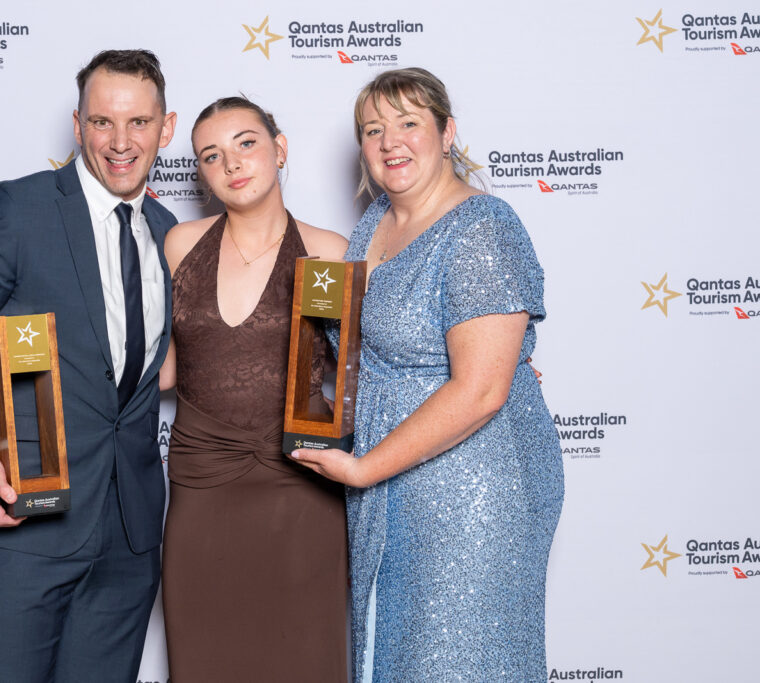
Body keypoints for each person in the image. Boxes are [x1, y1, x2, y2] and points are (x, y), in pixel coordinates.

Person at [0, 49, 177, 683]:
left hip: (129, 537)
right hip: (25, 520)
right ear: (78, 125)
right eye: (102, 121)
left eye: (138, 122)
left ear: (165, 129)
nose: (120, 142)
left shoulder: (170, 233)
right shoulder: (18, 210)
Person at [290, 68, 565, 681]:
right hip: (392, 479)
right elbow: (352, 353)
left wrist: (364, 469)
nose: (390, 141)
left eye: (408, 123)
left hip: (471, 486)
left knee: (455, 656)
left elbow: (482, 390)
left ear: (447, 133)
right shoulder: (375, 223)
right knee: (395, 655)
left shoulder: (482, 228)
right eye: (373, 130)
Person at [159, 97, 349, 682]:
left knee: (305, 659)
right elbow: (163, 371)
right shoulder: (180, 244)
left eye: (246, 143)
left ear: (279, 148)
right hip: (203, 484)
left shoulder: (330, 251)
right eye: (211, 155)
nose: (233, 163)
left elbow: (358, 375)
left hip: (301, 485)